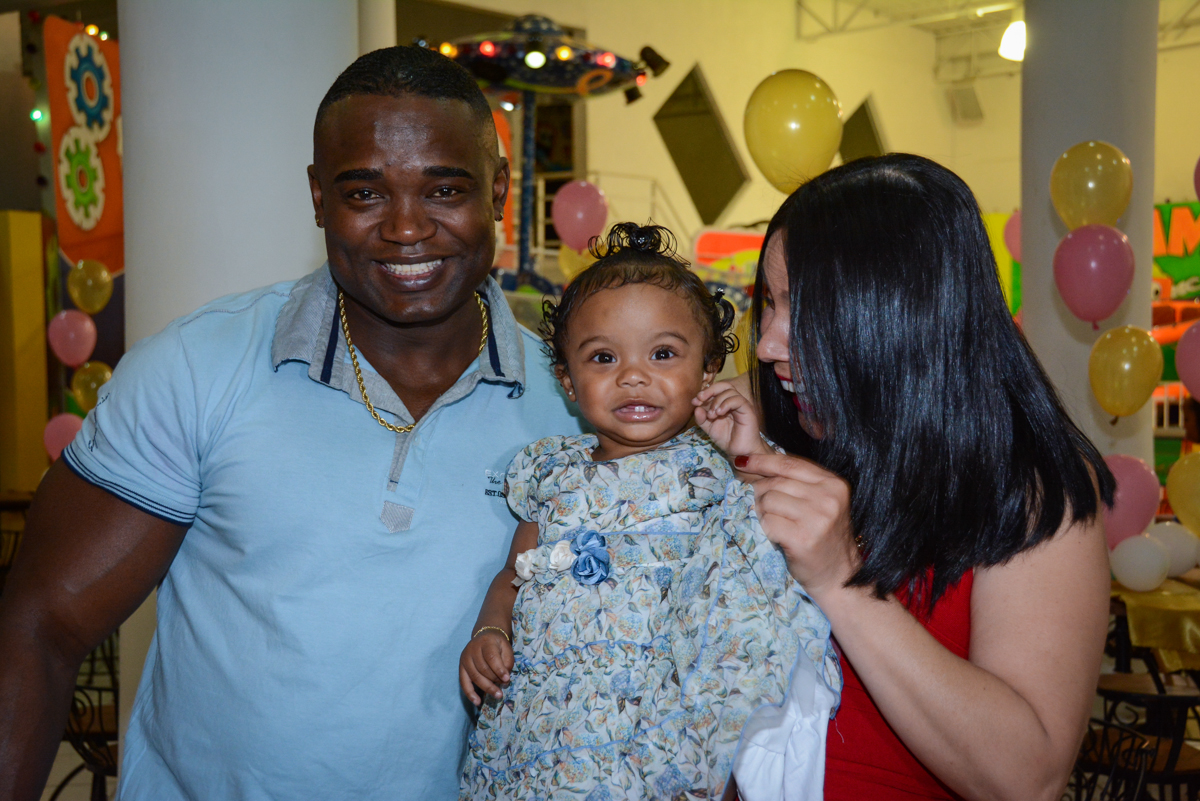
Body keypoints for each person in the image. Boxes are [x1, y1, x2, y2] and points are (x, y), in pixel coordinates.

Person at [0, 46, 584, 801]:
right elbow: (41, 623)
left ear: (499, 191)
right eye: (364, 194)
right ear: (317, 198)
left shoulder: (579, 406)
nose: (407, 229)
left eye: (444, 189)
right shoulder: (196, 367)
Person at [727, 154, 1115, 801]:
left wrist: (841, 581)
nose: (768, 342)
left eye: (800, 305)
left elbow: (1029, 776)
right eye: (768, 303)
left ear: (895, 315)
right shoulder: (805, 424)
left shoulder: (1029, 486)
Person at [458, 223, 840, 801]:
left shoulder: (718, 469)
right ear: (566, 379)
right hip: (546, 725)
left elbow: (765, 562)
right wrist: (489, 629)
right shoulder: (550, 472)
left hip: (656, 726)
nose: (633, 375)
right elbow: (514, 578)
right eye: (603, 357)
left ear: (708, 368)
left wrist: (745, 451)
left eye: (663, 353)